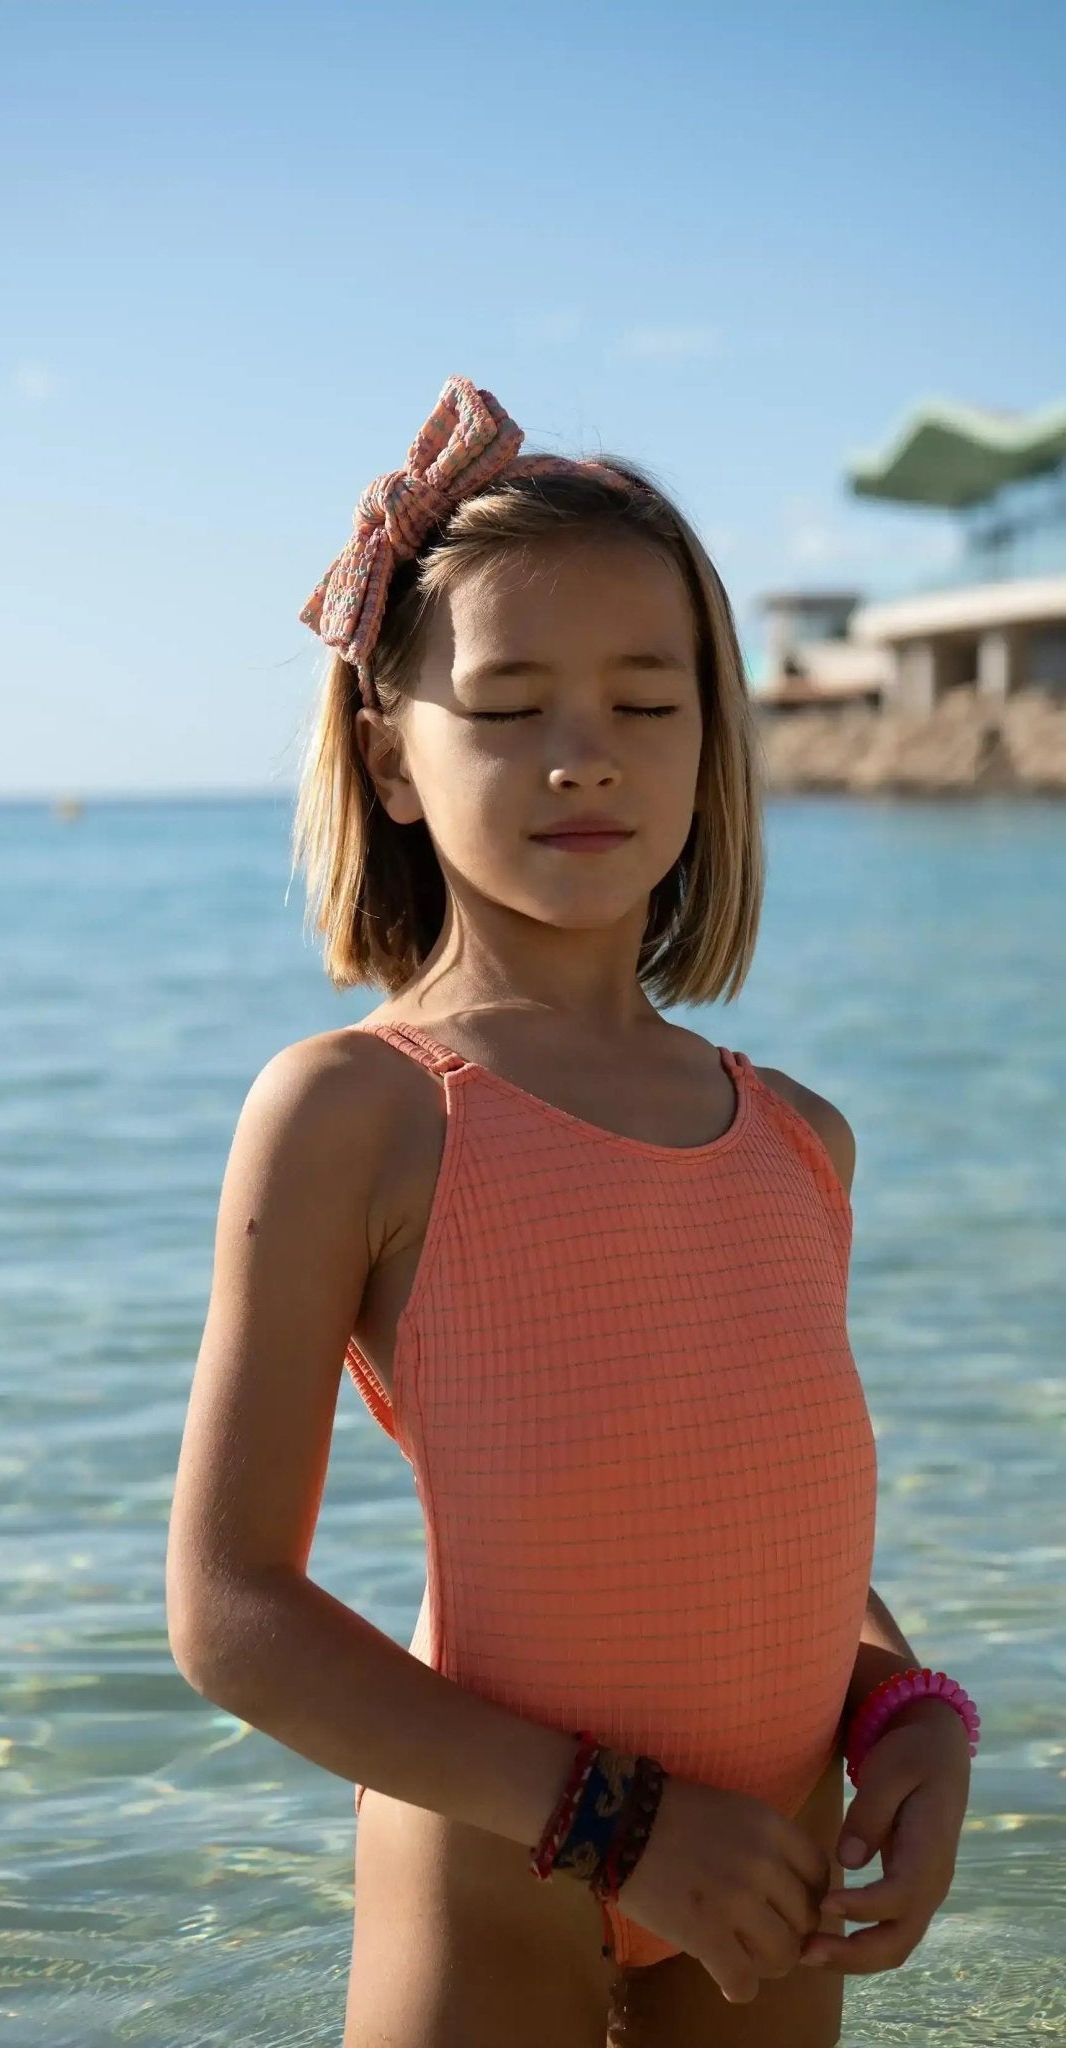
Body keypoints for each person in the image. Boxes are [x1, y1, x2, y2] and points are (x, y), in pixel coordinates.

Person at [165, 375, 979, 2047]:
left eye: (642, 701)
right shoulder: (358, 1108)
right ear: (392, 760)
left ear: (711, 740)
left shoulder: (799, 1141)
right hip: (502, 1873)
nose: (582, 754)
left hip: (769, 1872)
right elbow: (232, 1608)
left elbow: (747, 1526)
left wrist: (905, 1712)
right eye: (509, 704)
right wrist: (615, 1825)